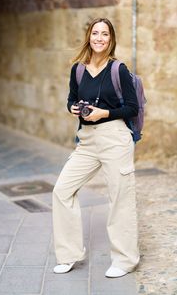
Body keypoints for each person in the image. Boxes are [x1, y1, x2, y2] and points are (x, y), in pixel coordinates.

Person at [52, 17, 140, 278]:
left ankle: (125, 260)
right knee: (62, 191)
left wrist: (104, 114)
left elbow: (132, 108)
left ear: (111, 39)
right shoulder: (78, 69)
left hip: (115, 139)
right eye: (95, 33)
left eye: (104, 34)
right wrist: (73, 109)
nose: (99, 38)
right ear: (88, 37)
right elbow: (70, 99)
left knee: (119, 198)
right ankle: (69, 255)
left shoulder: (118, 70)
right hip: (87, 141)